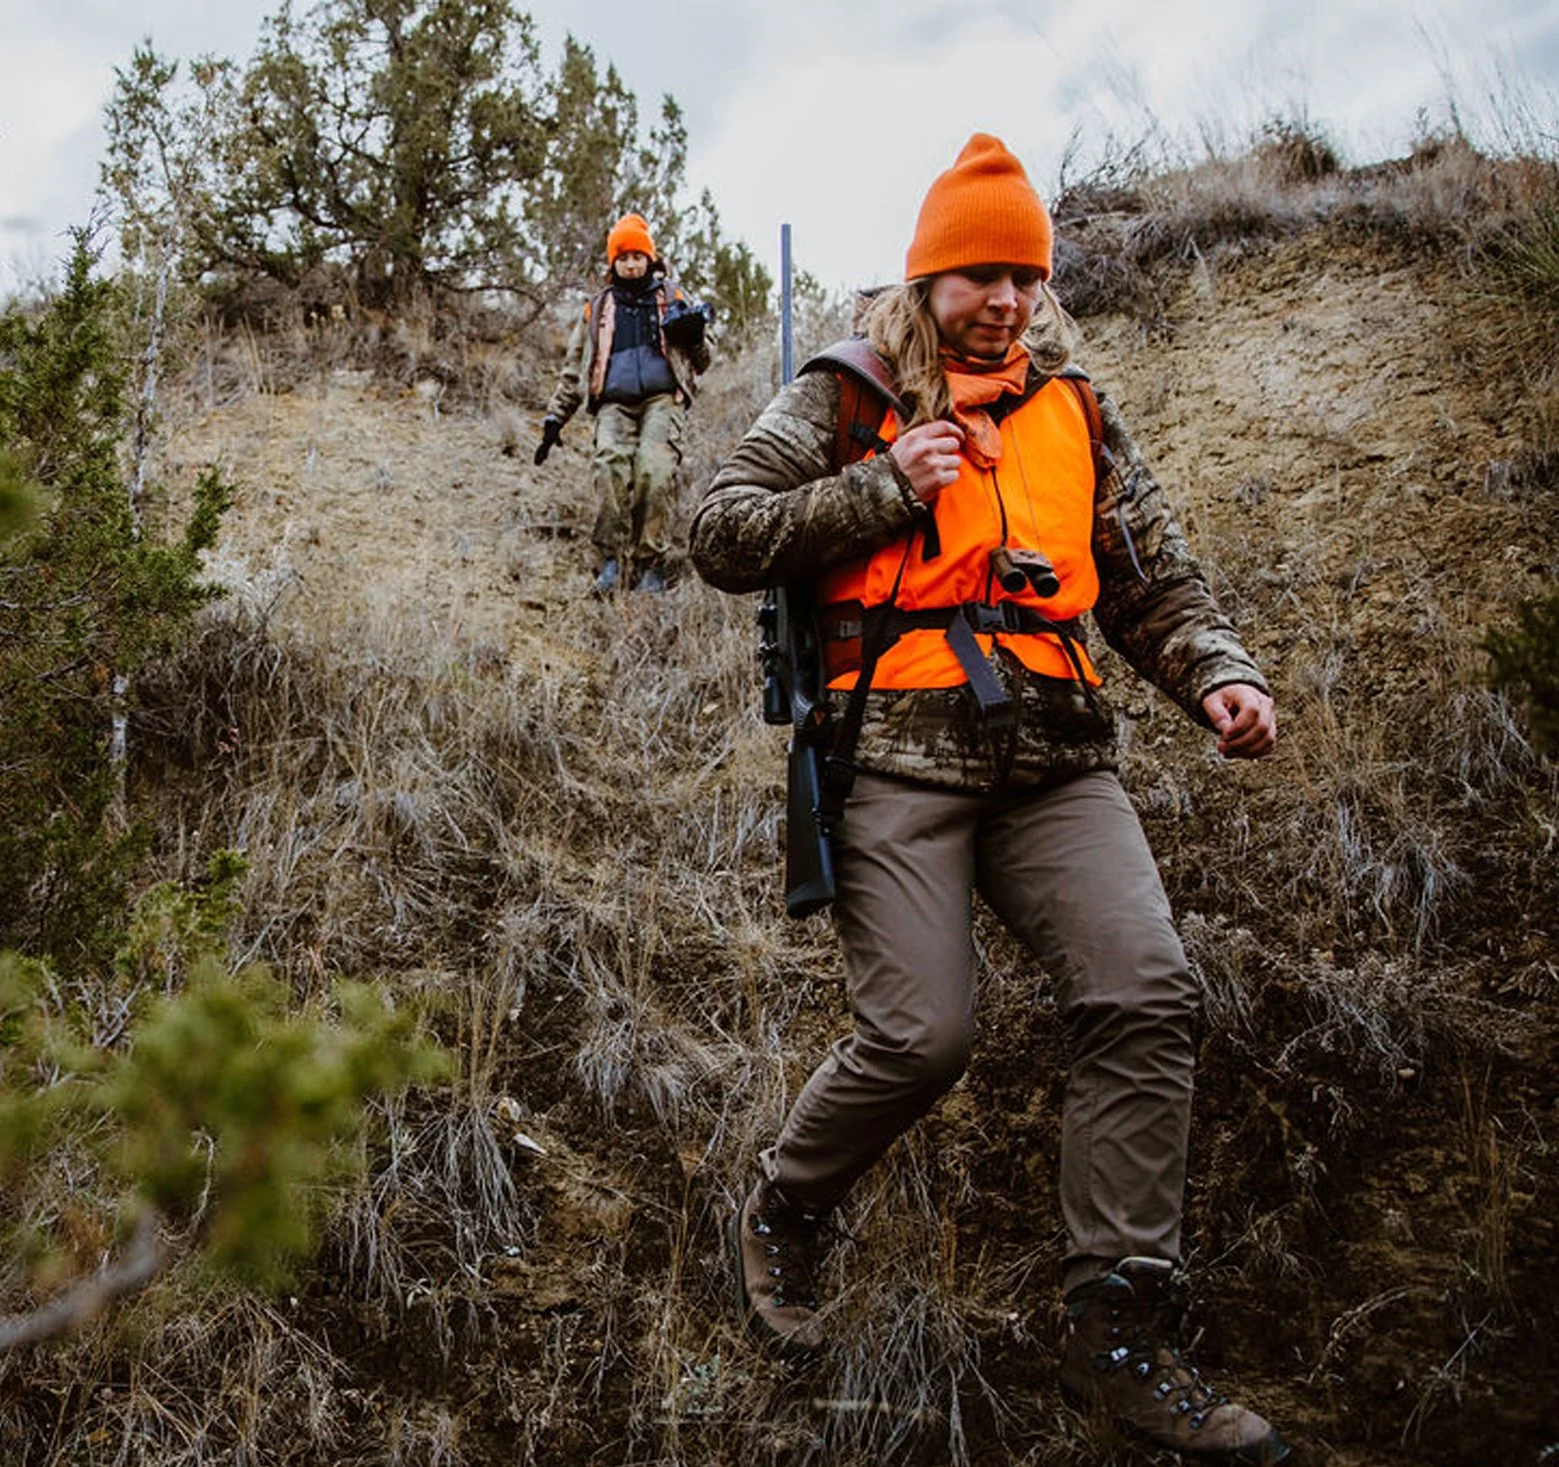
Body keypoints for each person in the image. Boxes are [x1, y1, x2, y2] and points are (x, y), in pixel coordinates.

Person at [689, 135, 1290, 1465]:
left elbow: (1150, 576)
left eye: (1023, 274)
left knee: (1146, 993)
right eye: (977, 275)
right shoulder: (849, 390)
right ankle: (789, 1200)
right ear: (928, 274)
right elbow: (722, 527)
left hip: (1057, 754)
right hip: (896, 757)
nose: (1004, 302)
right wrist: (880, 487)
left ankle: (1117, 1332)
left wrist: (1222, 681)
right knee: (924, 1032)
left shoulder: (1074, 404)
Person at [537, 213, 712, 595]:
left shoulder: (674, 298)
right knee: (609, 469)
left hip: (662, 399)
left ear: (651, 258)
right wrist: (555, 416)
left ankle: (651, 564)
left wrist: (694, 336)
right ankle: (611, 562)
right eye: (623, 256)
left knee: (654, 470)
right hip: (613, 404)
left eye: (638, 255)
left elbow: (704, 359)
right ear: (612, 262)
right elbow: (574, 368)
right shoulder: (597, 308)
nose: (631, 264)